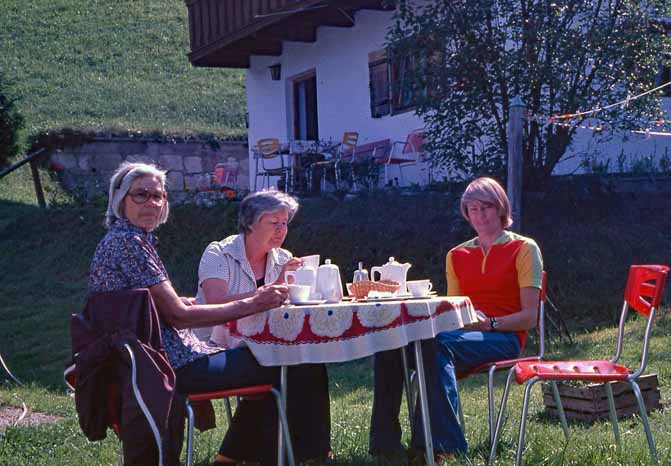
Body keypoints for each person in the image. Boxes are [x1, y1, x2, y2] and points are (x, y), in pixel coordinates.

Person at [88, 162, 328, 466]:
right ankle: (296, 456)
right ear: (120, 199)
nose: (151, 203)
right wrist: (257, 301)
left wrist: (177, 305)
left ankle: (243, 455)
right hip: (171, 363)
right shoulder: (129, 243)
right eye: (141, 195)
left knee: (281, 359)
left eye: (158, 196)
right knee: (288, 360)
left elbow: (149, 307)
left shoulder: (130, 240)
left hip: (153, 358)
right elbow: (179, 318)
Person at [369, 177, 543, 463]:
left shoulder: (524, 249)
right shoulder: (457, 254)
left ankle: (442, 447)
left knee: (435, 346)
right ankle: (384, 446)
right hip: (461, 336)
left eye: (486, 207)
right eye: (472, 209)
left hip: (505, 338)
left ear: (501, 208)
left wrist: (490, 324)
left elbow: (530, 317)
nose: (480, 215)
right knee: (390, 344)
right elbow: (452, 311)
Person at [195, 189, 332, 464]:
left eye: (285, 223)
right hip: (215, 344)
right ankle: (247, 455)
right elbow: (215, 302)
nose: (281, 230)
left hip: (268, 342)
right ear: (250, 222)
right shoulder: (219, 253)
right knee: (279, 365)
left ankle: (313, 451)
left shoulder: (284, 258)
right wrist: (271, 289)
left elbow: (289, 307)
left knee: (310, 361)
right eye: (274, 223)